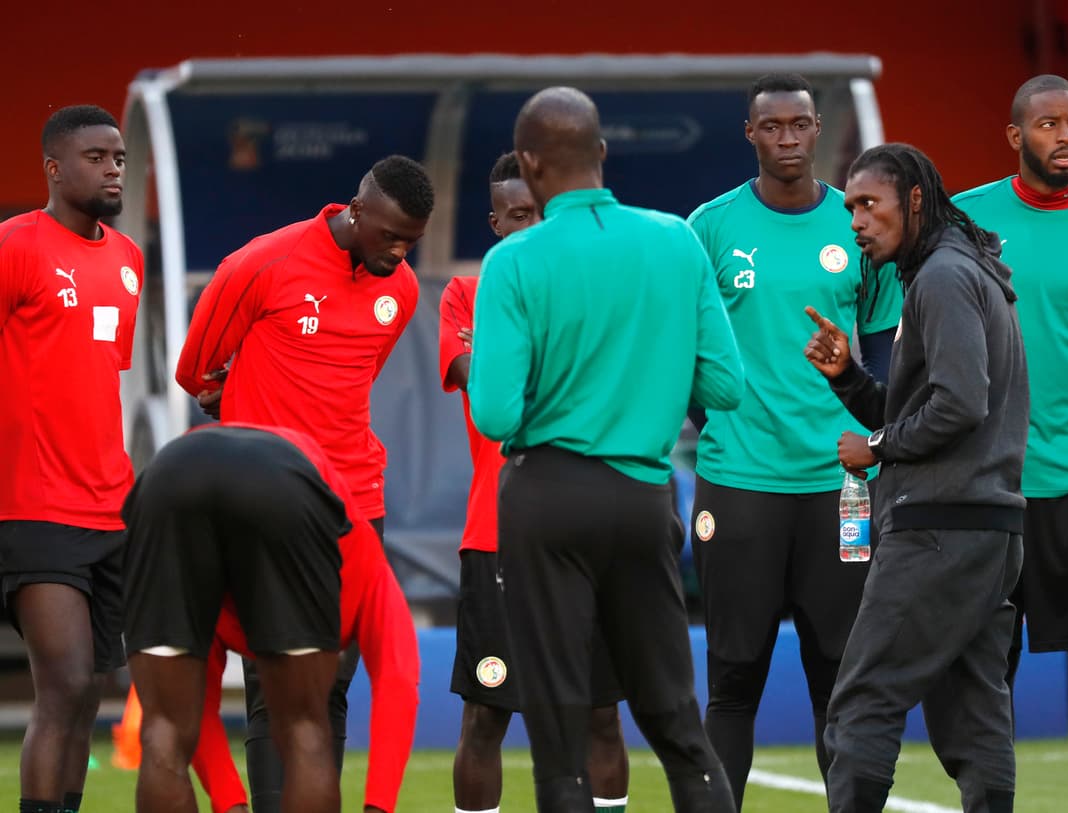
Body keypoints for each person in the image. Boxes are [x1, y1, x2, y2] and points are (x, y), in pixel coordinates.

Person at [468, 86, 742, 813]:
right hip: (645, 495)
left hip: (547, 495)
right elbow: (725, 386)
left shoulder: (513, 261)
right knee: (677, 721)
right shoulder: (676, 239)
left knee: (559, 738)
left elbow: (494, 413)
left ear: (528, 164)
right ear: (602, 153)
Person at [174, 154, 431, 811]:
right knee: (274, 679)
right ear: (357, 210)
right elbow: (196, 370)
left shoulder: (400, 289)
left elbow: (356, 374)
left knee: (330, 681)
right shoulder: (262, 263)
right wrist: (242, 403)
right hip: (265, 502)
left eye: (411, 242)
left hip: (354, 503)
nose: (399, 253)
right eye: (390, 236)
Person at [684, 72, 901, 808]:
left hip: (841, 486)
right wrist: (722, 426)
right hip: (739, 483)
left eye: (798, 124)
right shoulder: (710, 227)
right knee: (733, 678)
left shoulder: (857, 223)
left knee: (839, 678)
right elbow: (686, 352)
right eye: (771, 126)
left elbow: (884, 359)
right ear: (750, 134)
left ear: (817, 130)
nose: (786, 138)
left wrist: (877, 439)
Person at [805, 142, 1028, 813]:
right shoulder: (960, 270)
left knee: (862, 700)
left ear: (916, 200)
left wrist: (874, 447)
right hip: (987, 528)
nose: (855, 221)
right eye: (850, 208)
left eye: (868, 204)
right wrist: (849, 378)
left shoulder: (942, 277)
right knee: (974, 712)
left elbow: (959, 406)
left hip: (938, 528)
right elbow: (927, 411)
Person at [953, 75, 1068, 813]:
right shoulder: (968, 219)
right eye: (1049, 124)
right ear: (1015, 136)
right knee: (987, 666)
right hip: (991, 482)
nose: (1066, 136)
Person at [440, 151, 630, 813]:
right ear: (496, 223)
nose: (532, 226)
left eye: (542, 213)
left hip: (591, 530)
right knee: (486, 715)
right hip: (498, 534)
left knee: (600, 713)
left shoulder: (598, 291)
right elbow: (478, 379)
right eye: (517, 215)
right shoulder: (466, 294)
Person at [122, 423, 415, 813]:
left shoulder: (351, 564)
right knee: (305, 729)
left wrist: (231, 804)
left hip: (170, 473)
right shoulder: (364, 566)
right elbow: (399, 678)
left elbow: (196, 705)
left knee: (165, 729)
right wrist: (379, 805)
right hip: (278, 479)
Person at [0, 104, 141, 813]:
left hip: (111, 506)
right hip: (34, 504)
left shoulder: (128, 258)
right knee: (63, 682)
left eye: (118, 157)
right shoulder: (14, 245)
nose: (113, 169)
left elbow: (97, 372)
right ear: (54, 169)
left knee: (90, 691)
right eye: (96, 157)